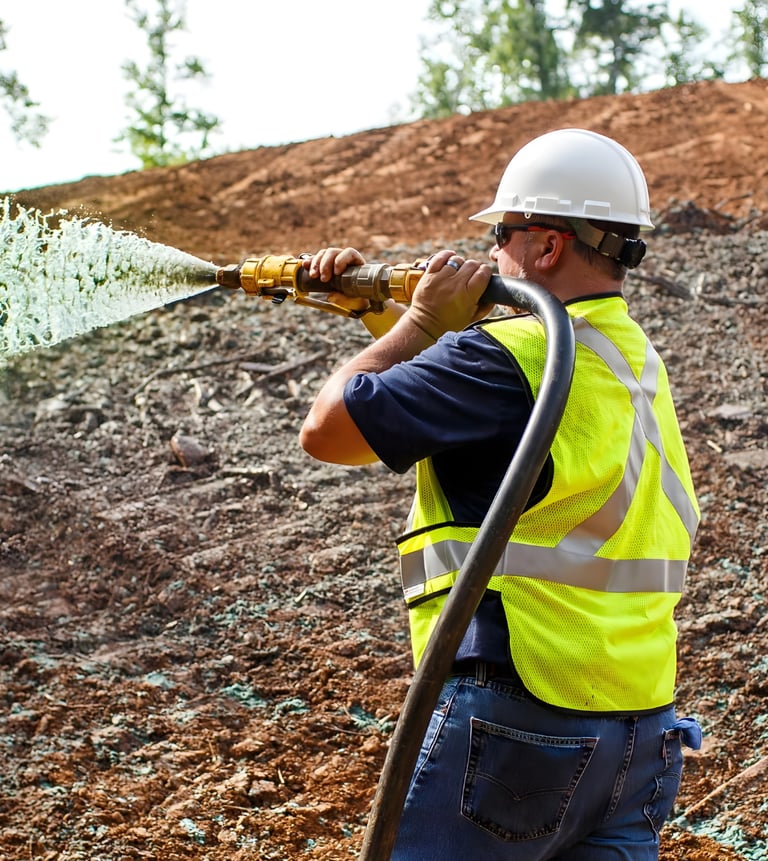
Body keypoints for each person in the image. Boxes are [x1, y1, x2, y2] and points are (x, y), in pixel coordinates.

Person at [299, 128, 702, 860]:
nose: (490, 252)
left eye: (501, 232)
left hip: (524, 721)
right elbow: (473, 408)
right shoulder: (631, 355)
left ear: (545, 246)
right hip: (642, 731)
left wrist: (420, 323)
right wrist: (376, 318)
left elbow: (329, 431)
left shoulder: (509, 353)